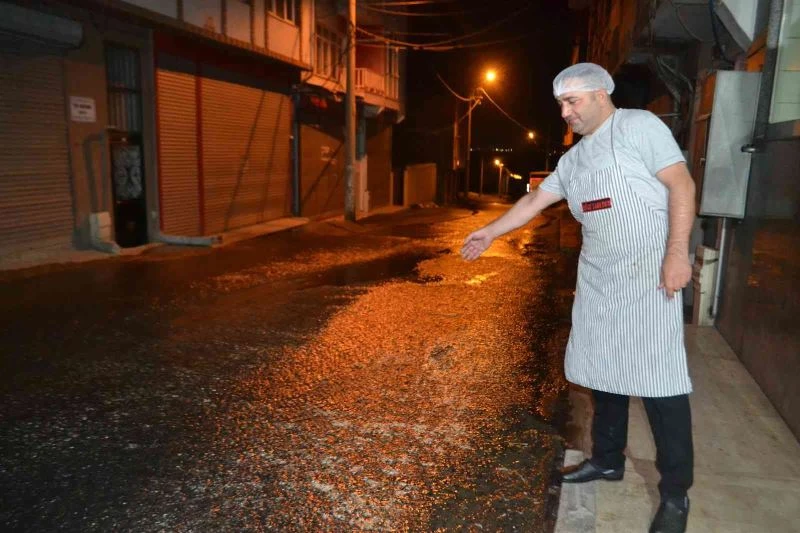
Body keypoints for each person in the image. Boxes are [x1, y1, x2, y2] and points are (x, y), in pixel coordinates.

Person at [461, 63, 695, 533]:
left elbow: (681, 185)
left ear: (602, 95)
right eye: (561, 104)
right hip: (600, 278)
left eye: (573, 102)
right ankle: (607, 460)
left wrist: (676, 254)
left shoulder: (638, 127)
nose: (565, 112)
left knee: (660, 384)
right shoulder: (574, 160)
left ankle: (676, 495)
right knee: (604, 372)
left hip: (649, 276)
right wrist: (488, 231)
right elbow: (533, 202)